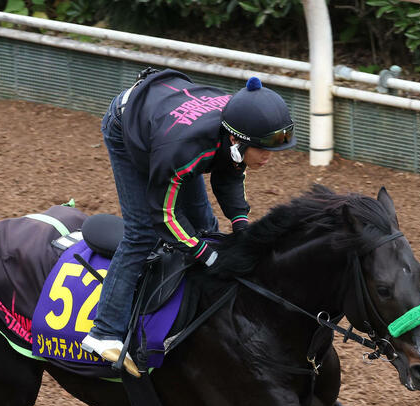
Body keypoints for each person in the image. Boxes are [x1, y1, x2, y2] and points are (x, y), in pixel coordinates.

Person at [82, 68, 296, 376]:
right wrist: (205, 254)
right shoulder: (182, 152)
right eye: (264, 147)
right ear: (237, 138)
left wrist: (241, 229)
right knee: (142, 233)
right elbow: (162, 215)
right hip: (130, 127)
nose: (269, 157)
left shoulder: (233, 132)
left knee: (204, 225)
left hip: (174, 122)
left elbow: (229, 176)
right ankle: (104, 331)